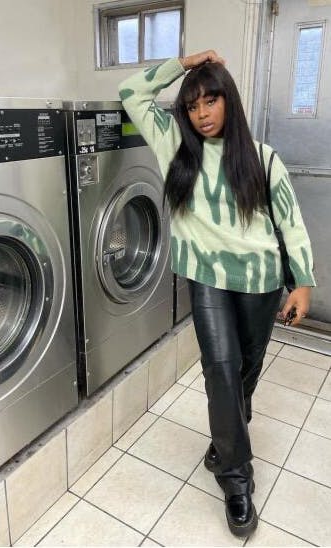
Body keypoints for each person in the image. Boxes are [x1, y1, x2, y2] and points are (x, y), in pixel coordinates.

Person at [118, 50, 315, 538]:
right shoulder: (174, 147)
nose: (202, 113)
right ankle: (236, 478)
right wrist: (184, 64)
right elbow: (131, 92)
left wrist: (303, 282)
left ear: (230, 101)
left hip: (261, 281)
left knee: (244, 373)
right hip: (206, 278)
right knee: (221, 370)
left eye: (211, 100)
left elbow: (290, 222)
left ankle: (225, 437)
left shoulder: (262, 157)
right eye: (192, 106)